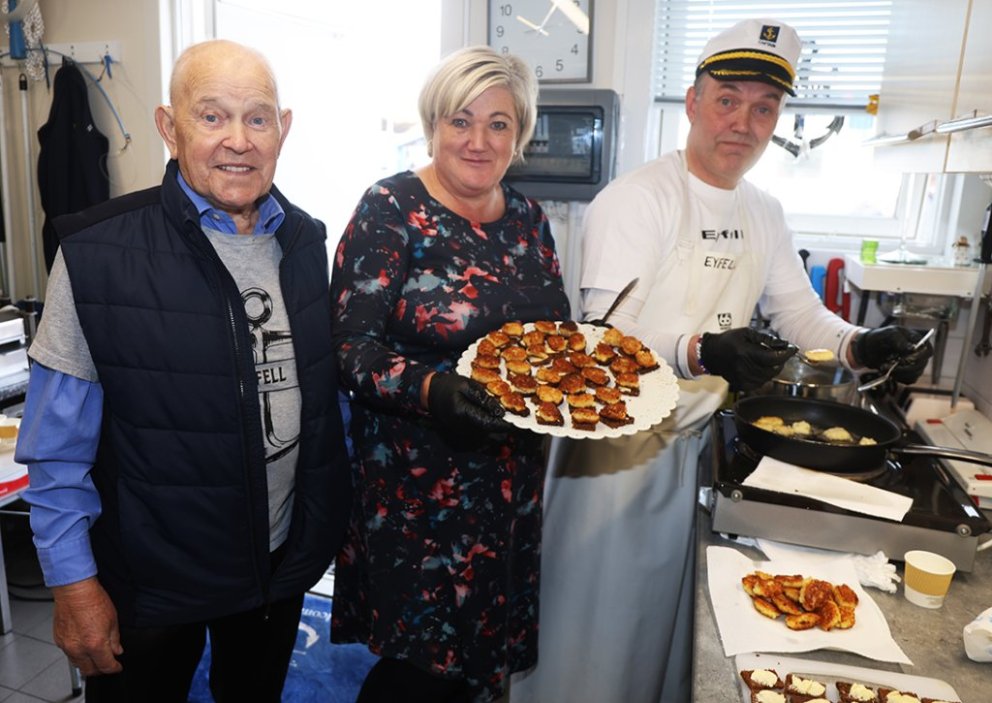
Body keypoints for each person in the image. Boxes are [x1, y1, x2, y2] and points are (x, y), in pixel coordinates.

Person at [510, 18, 933, 703]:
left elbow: (801, 316)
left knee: (661, 630)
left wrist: (863, 343)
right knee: (595, 633)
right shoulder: (637, 199)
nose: (743, 123)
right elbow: (605, 337)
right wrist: (700, 349)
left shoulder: (763, 211)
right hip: (615, 454)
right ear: (693, 102)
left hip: (696, 442)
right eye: (728, 100)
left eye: (763, 108)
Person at [14, 39, 351, 702]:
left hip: (276, 570)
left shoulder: (306, 242)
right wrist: (74, 584)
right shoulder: (96, 253)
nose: (238, 141)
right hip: (151, 581)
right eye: (212, 116)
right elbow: (55, 448)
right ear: (170, 127)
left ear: (283, 130)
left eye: (257, 118)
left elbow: (322, 405)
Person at [329, 45, 570, 703]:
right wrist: (433, 389)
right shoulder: (389, 208)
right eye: (461, 120)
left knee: (481, 667)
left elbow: (552, 337)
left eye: (498, 123)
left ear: (519, 135)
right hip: (419, 490)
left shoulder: (529, 219)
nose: (477, 140)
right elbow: (350, 348)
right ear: (433, 124)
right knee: (418, 674)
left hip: (510, 485)